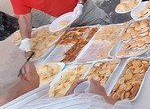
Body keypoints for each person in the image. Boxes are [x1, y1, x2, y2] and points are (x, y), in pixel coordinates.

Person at [0, 40, 131, 108]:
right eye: (28, 58)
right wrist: (102, 98)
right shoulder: (86, 104)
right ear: (26, 73)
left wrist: (64, 98)